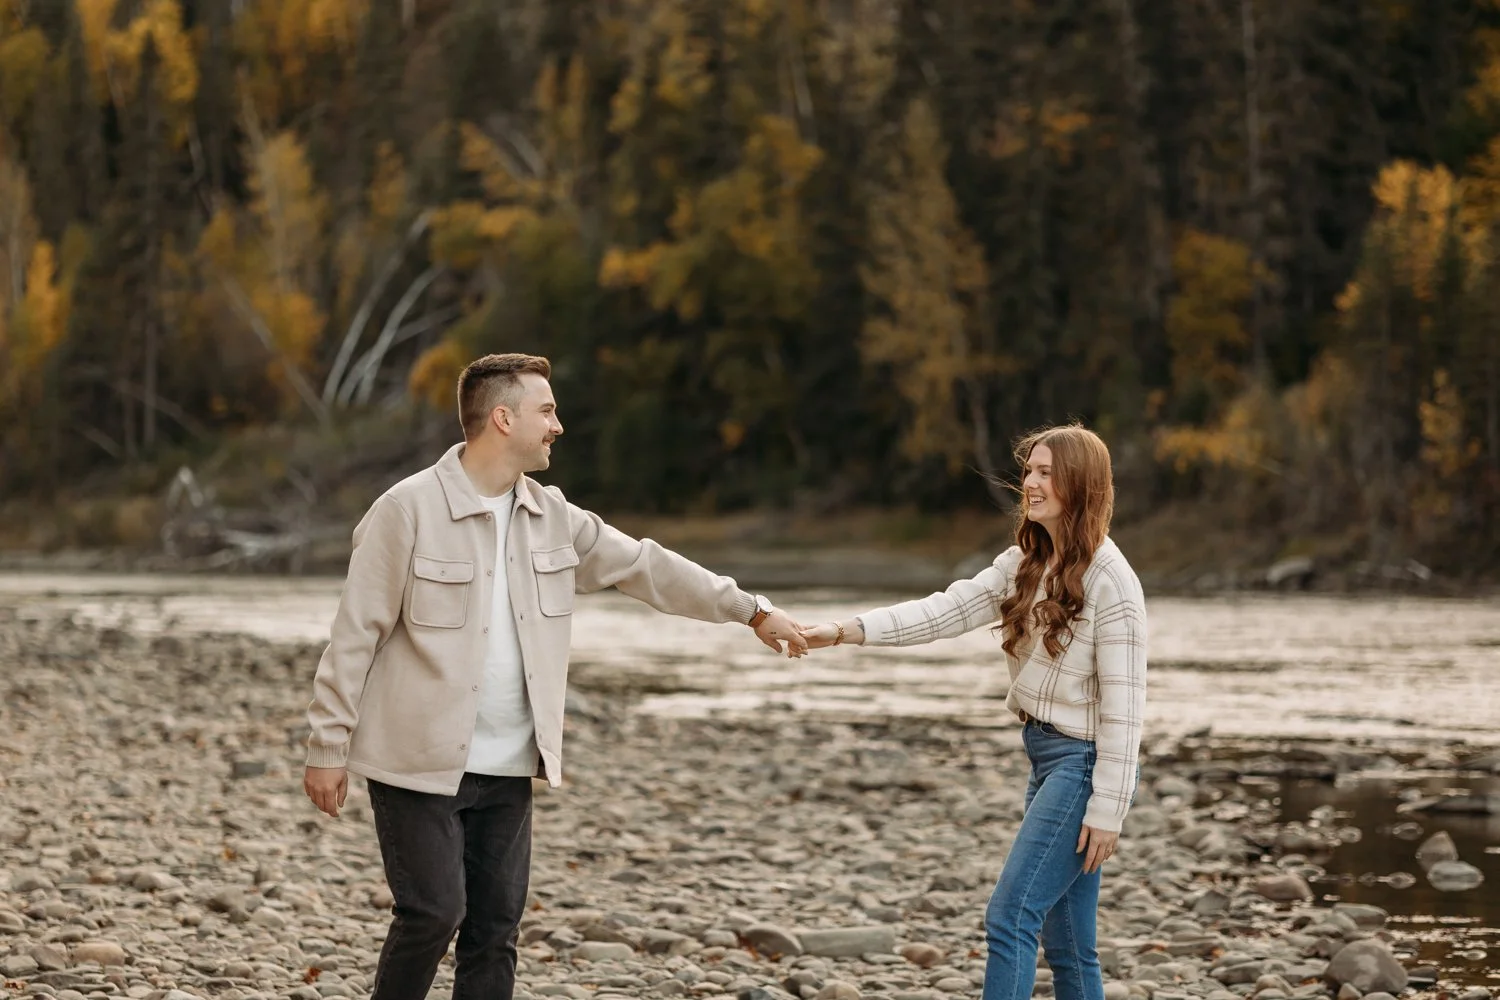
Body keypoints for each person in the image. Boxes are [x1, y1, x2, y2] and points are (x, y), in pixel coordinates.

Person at [302, 353, 807, 1000]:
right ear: (503, 418)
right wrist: (327, 747)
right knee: (432, 913)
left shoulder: (554, 518)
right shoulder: (406, 511)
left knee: (496, 932)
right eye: (547, 411)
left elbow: (648, 567)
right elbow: (354, 634)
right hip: (415, 762)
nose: (557, 426)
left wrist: (752, 611)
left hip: (511, 765)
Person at [800, 424, 1147, 1000]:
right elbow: (940, 612)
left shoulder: (1114, 584)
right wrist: (843, 632)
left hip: (1084, 769)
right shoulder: (1025, 562)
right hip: (1047, 758)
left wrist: (1108, 808)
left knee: (1009, 918)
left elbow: (1126, 710)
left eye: (1044, 474)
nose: (1029, 484)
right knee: (1069, 947)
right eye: (1029, 471)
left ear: (1081, 485)